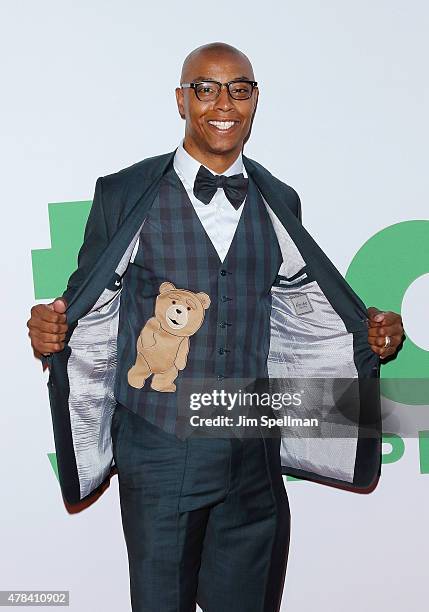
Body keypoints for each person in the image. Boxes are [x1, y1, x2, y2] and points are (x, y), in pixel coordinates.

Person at [27, 42, 404, 612]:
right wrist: (48, 326)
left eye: (239, 89)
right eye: (205, 88)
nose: (222, 103)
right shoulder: (125, 193)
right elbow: (85, 297)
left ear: (256, 101)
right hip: (158, 447)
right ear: (182, 100)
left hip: (252, 447)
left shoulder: (281, 198)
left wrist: (373, 330)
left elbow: (301, 305)